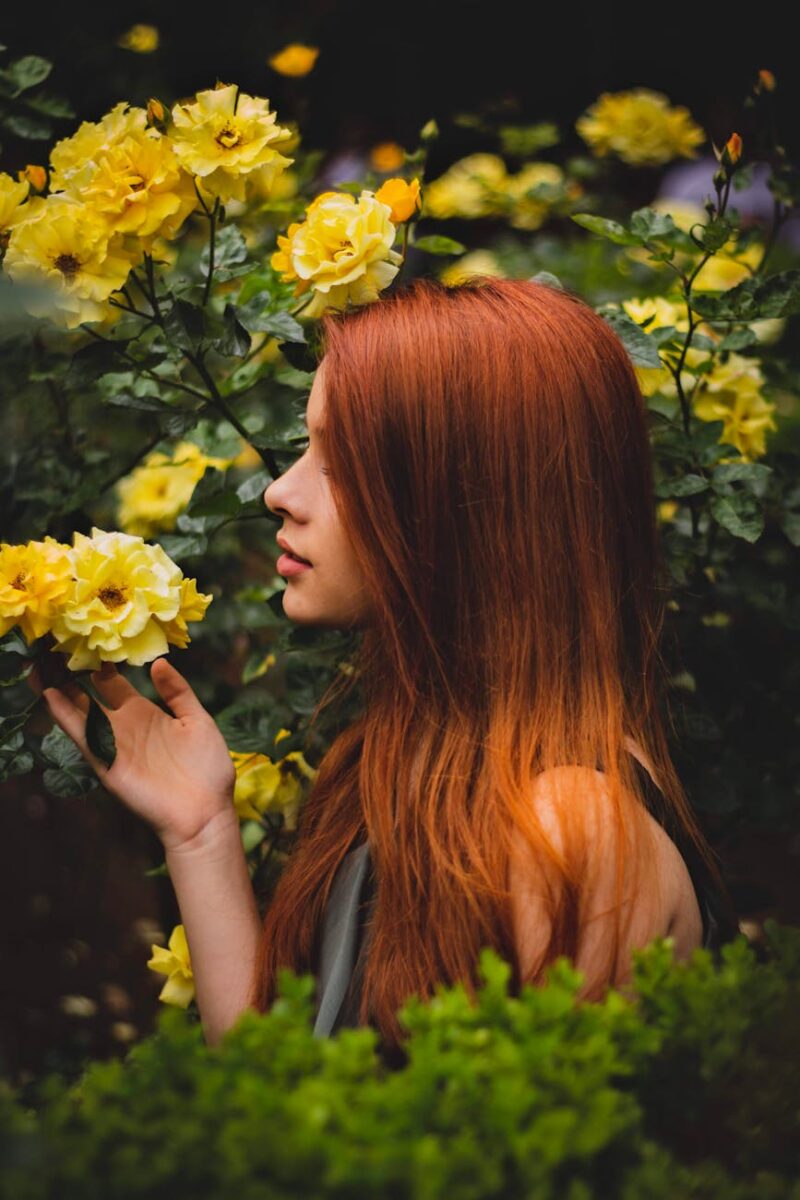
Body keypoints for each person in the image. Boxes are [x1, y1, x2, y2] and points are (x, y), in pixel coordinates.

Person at [32, 275, 740, 1060]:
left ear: (470, 505)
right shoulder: (415, 765)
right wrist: (200, 829)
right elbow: (288, 1107)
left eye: (341, 461)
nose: (279, 491)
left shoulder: (572, 829)